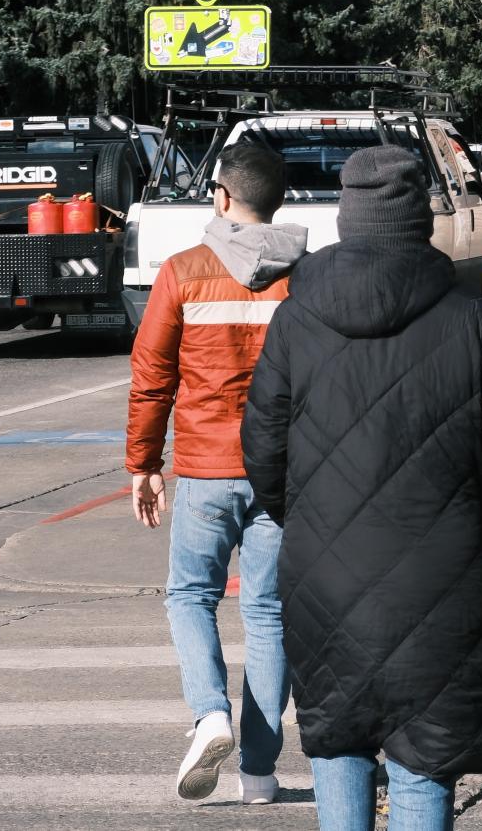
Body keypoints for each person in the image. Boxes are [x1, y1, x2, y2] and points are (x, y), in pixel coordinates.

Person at [243, 145, 482, 831]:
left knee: (338, 738)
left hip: (323, 575)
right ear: (419, 221)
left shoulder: (296, 317)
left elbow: (263, 449)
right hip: (440, 577)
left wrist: (309, 517)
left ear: (347, 218)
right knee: (424, 760)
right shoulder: (473, 318)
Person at [126, 140, 308, 804]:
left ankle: (208, 714)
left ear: (223, 197)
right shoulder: (307, 275)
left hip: (206, 466)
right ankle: (259, 773)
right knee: (267, 609)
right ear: (277, 198)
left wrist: (144, 463)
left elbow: (152, 377)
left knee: (190, 596)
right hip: (284, 474)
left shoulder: (183, 271)